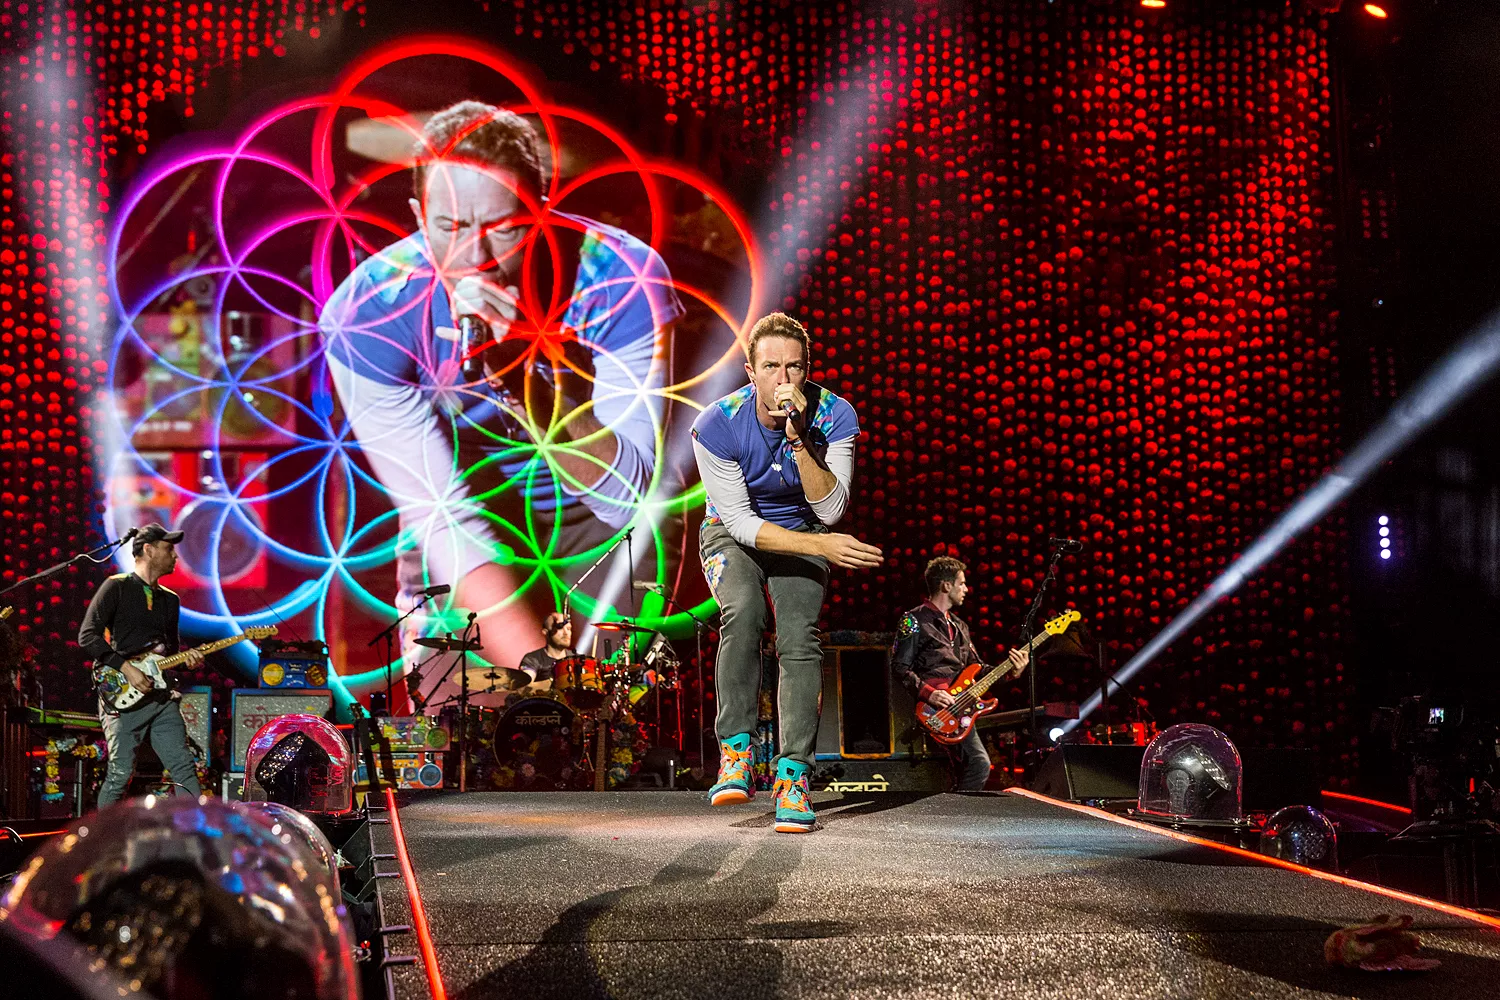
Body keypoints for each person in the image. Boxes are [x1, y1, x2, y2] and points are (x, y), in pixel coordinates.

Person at [319, 99, 684, 683]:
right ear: (418, 218)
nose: (476, 259)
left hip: (600, 522)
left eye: (503, 228)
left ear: (542, 212)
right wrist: (538, 682)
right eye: (451, 228)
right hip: (469, 512)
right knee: (458, 713)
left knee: (611, 715)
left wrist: (521, 376)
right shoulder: (369, 315)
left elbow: (630, 501)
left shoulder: (618, 277)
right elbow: (447, 521)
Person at [691, 312, 883, 833]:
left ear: (806, 371)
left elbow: (831, 510)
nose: (783, 379)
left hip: (804, 527)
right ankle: (737, 753)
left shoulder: (835, 414)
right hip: (733, 533)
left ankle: (793, 777)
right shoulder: (717, 424)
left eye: (793, 368)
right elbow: (742, 524)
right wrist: (822, 547)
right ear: (750, 372)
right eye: (771, 367)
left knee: (799, 637)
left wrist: (799, 439)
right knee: (744, 613)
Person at [78, 523, 206, 808]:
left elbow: (170, 654)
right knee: (120, 774)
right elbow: (87, 636)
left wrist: (189, 662)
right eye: (169, 549)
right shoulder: (117, 586)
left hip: (160, 698)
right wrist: (127, 668)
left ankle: (196, 831)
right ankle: (104, 834)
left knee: (184, 767)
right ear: (148, 550)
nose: (175, 556)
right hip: (123, 695)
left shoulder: (170, 600)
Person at [891, 556, 1029, 791]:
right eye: (962, 583)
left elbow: (978, 669)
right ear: (946, 585)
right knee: (978, 764)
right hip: (934, 710)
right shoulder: (913, 619)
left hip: (960, 706)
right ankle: (961, 810)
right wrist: (929, 693)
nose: (966, 589)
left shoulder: (960, 626)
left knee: (969, 767)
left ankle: (955, 808)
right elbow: (899, 667)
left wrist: (1011, 671)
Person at [517, 611, 573, 689]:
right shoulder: (533, 659)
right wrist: (556, 682)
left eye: (568, 628)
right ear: (546, 632)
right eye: (559, 628)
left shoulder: (577, 660)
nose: (566, 633)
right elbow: (525, 687)